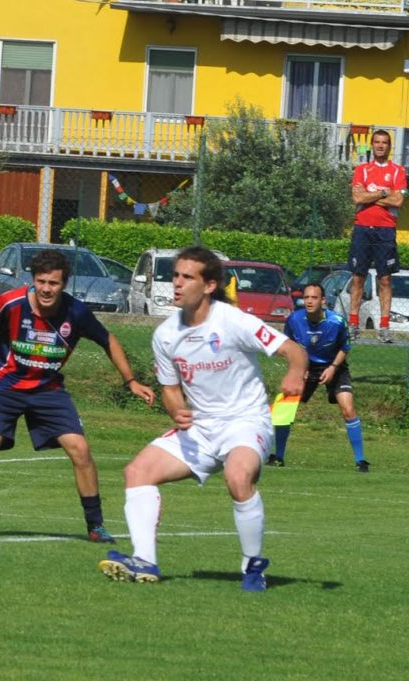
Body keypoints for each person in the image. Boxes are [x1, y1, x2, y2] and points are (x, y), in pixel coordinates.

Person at [98, 246, 307, 592]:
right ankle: (145, 561)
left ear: (209, 285)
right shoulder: (165, 334)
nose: (177, 283)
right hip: (201, 428)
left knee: (238, 477)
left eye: (187, 277)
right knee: (137, 472)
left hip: (245, 421)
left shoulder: (233, 320)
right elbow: (169, 388)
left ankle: (253, 566)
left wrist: (295, 373)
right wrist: (175, 408)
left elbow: (293, 351)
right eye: (175, 275)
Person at [0, 249, 155, 542]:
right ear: (33, 280)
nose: (46, 289)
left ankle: (96, 526)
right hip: (5, 386)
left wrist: (130, 380)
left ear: (63, 283)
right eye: (41, 281)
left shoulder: (76, 312)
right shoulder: (12, 302)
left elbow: (109, 340)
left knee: (79, 449)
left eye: (53, 283)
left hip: (48, 390)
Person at [270, 283, 369, 473]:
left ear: (323, 301)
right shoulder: (294, 320)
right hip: (305, 366)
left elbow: (345, 348)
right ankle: (277, 456)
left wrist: (332, 368)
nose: (309, 301)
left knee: (348, 409)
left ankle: (361, 461)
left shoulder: (337, 321)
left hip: (334, 366)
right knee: (285, 407)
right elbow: (288, 348)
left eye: (314, 298)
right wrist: (298, 368)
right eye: (306, 297)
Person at [349, 129, 407, 343]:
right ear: (372, 145)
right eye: (377, 142)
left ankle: (383, 328)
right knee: (358, 278)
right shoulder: (362, 170)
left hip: (386, 230)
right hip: (363, 228)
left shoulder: (397, 171)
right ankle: (353, 324)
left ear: (390, 147)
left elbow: (398, 201)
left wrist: (370, 196)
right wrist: (384, 193)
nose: (381, 146)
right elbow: (356, 198)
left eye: (385, 143)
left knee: (385, 279)